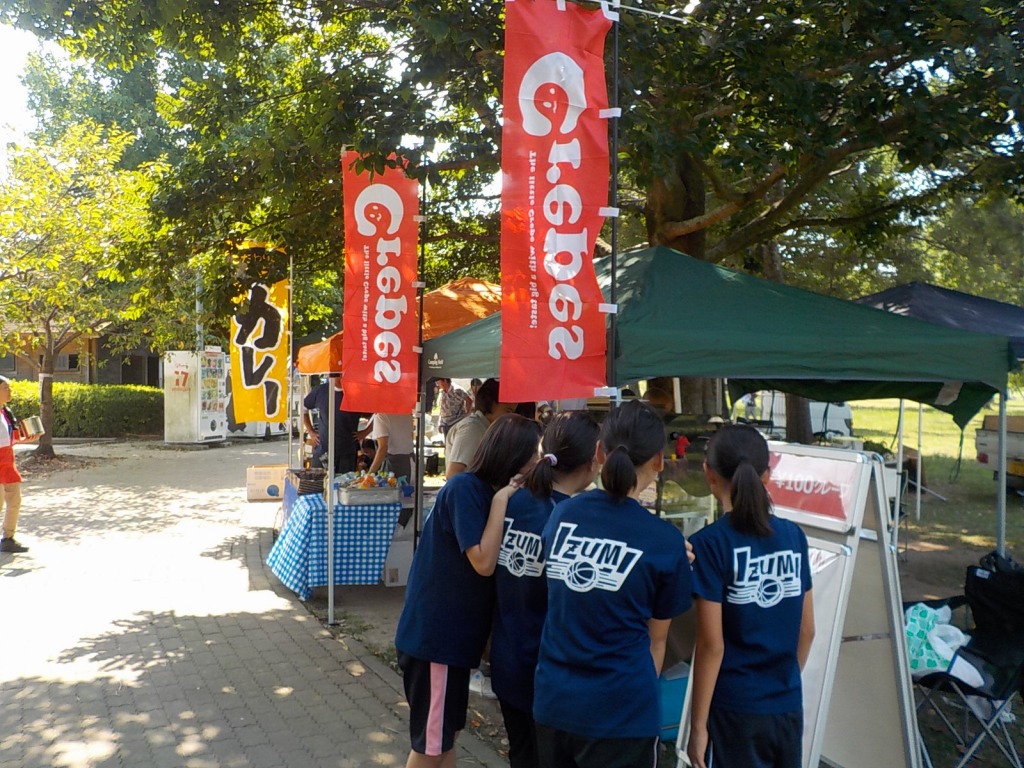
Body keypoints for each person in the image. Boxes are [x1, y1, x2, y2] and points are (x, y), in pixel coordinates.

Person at [532, 400, 693, 768]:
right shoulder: (665, 542)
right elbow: (657, 640)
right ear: (659, 460)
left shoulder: (563, 514)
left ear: (599, 453)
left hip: (554, 704)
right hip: (622, 716)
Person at [394, 414, 543, 768]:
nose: (538, 462)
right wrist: (503, 499)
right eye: (534, 454)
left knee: (446, 737)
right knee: (431, 746)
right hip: (436, 643)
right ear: (514, 456)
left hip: (451, 646)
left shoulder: (480, 491)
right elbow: (483, 562)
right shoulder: (466, 489)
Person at [686, 424, 815, 768]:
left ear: (708, 474)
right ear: (768, 475)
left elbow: (711, 646)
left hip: (735, 710)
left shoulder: (708, 545)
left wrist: (698, 727)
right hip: (786, 705)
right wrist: (781, 684)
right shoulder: (794, 536)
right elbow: (807, 631)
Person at [488, 411, 601, 768]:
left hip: (506, 658)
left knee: (521, 754)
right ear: (594, 459)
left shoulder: (509, 502)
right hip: (550, 672)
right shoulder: (577, 520)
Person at [445, 378, 516, 478]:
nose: (510, 417)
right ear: (492, 404)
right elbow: (453, 474)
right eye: (508, 411)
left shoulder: (486, 427)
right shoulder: (472, 428)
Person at [0, 376, 40, 553]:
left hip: (7, 464)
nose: (9, 391)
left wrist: (26, 438)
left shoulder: (6, 413)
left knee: (14, 501)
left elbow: (8, 439)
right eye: (5, 388)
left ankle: (8, 538)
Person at [302, 375, 361, 473]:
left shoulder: (357, 393)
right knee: (320, 480)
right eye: (338, 374)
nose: (341, 377)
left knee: (345, 481)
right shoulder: (321, 391)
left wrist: (365, 432)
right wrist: (311, 431)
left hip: (347, 451)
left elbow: (377, 413)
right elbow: (303, 408)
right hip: (323, 449)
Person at [367, 412, 415, 481]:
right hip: (411, 461)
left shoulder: (380, 416)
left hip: (394, 464)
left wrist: (370, 474)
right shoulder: (406, 413)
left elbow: (383, 448)